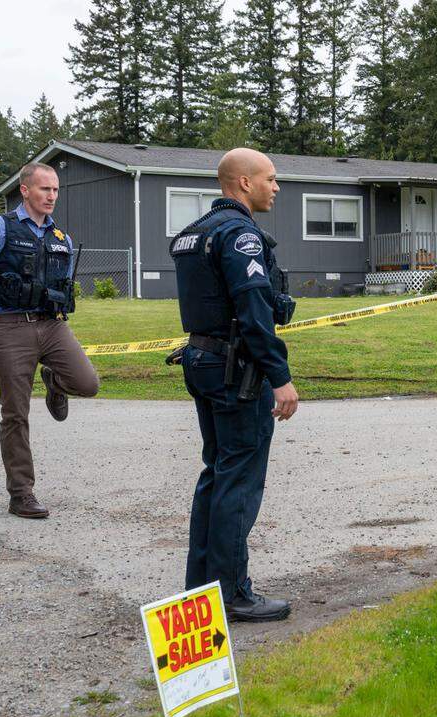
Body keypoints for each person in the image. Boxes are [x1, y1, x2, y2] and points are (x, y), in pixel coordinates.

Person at [170, 147, 299, 623]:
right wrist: (280, 376)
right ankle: (231, 593)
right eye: (270, 178)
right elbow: (253, 311)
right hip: (235, 368)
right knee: (239, 480)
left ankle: (201, 590)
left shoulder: (194, 232)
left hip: (202, 358)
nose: (276, 187)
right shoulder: (240, 235)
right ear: (244, 183)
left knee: (217, 473)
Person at [0, 163, 100, 519]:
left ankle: (55, 382)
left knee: (88, 383)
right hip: (10, 327)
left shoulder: (60, 237)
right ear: (25, 190)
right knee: (15, 414)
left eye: (55, 190)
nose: (52, 196)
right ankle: (21, 494)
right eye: (45, 189)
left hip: (52, 327)